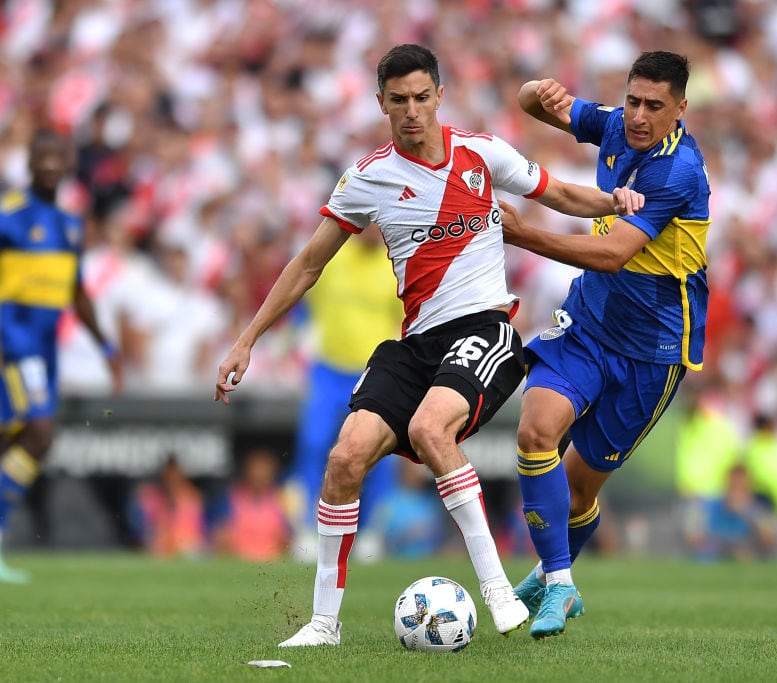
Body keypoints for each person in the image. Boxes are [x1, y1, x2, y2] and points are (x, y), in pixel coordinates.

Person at [214, 44, 642, 647]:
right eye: (399, 100)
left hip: (485, 329)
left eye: (422, 97)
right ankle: (323, 625)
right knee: (343, 460)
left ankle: (496, 592)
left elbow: (559, 194)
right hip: (416, 344)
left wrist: (616, 200)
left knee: (429, 430)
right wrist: (247, 338)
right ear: (381, 103)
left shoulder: (482, 153)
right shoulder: (368, 178)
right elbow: (309, 263)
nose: (412, 111)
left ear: (439, 95)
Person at [499, 50, 712, 638]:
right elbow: (528, 103)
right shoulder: (616, 126)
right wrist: (539, 90)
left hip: (652, 352)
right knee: (535, 429)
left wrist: (522, 234)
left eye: (655, 106)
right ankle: (561, 583)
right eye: (633, 101)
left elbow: (612, 253)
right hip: (589, 323)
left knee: (575, 491)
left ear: (681, 109)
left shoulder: (677, 172)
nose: (639, 116)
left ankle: (551, 575)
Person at [0, 129, 123, 583]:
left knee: (14, 439)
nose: (50, 164)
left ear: (67, 164)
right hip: (12, 341)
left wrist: (106, 345)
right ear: (29, 164)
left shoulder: (70, 224)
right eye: (42, 157)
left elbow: (77, 293)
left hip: (45, 348)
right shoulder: (9, 216)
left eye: (58, 157)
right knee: (39, 433)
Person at [283, 224, 403, 562]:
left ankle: (371, 535)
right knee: (313, 444)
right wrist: (284, 348)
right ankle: (305, 529)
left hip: (374, 373)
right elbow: (301, 304)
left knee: (378, 454)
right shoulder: (333, 258)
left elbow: (407, 322)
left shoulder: (395, 266)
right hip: (327, 370)